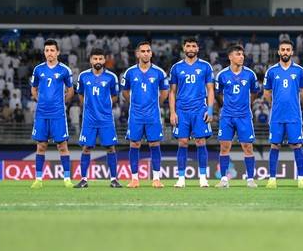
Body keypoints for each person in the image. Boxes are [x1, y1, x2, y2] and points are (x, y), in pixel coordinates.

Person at [121, 41, 169, 188]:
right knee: (134, 144)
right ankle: (134, 178)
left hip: (153, 115)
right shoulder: (130, 72)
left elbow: (164, 92)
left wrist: (154, 104)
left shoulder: (159, 72)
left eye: (148, 51)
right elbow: (125, 92)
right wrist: (135, 103)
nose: (146, 53)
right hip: (135, 115)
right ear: (137, 54)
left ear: (151, 53)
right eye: (143, 51)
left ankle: (156, 178)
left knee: (154, 143)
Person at [169, 38, 214, 188]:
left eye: (193, 46)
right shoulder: (176, 68)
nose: (191, 48)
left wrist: (210, 110)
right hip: (182, 111)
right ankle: (181, 178)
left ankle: (203, 178)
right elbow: (172, 92)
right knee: (182, 142)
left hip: (199, 110)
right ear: (184, 48)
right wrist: (172, 112)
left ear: (197, 49)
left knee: (201, 141)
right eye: (188, 46)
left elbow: (210, 89)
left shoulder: (205, 66)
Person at [263, 40, 303, 188]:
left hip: (294, 115)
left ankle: (301, 178)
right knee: (274, 145)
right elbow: (266, 92)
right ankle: (272, 179)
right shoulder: (271, 71)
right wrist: (275, 104)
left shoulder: (300, 71)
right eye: (283, 49)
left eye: (288, 50)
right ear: (278, 52)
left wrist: (294, 101)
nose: (285, 52)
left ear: (292, 52)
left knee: (297, 145)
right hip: (277, 116)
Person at [74, 48, 122, 188]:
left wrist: (104, 105)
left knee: (111, 148)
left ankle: (114, 179)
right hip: (89, 119)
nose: (98, 61)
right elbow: (80, 94)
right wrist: (88, 106)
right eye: (95, 59)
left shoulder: (111, 77)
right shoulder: (83, 76)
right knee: (86, 148)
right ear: (90, 60)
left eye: (100, 58)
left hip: (106, 119)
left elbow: (115, 96)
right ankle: (83, 180)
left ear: (104, 60)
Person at [30, 39, 75, 189]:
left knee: (62, 146)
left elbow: (70, 90)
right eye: (47, 50)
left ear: (58, 52)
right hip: (42, 114)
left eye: (52, 50)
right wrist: (41, 101)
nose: (49, 53)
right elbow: (33, 88)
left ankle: (67, 179)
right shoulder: (38, 69)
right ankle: (38, 179)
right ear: (44, 52)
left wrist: (61, 103)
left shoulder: (64, 70)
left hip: (58, 114)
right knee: (41, 146)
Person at [214, 45, 261, 188]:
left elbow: (255, 92)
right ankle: (223, 179)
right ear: (230, 57)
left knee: (248, 147)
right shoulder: (222, 75)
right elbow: (218, 93)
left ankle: (250, 179)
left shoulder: (250, 74)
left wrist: (247, 104)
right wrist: (226, 105)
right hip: (227, 116)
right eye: (238, 54)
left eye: (242, 54)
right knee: (224, 147)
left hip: (244, 116)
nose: (241, 57)